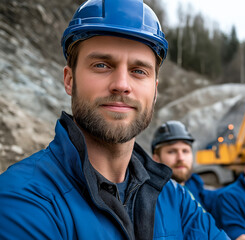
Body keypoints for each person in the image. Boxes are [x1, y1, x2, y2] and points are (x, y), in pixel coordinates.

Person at [0, 1, 229, 239]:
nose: (122, 84)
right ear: (69, 80)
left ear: (155, 91)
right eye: (101, 65)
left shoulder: (175, 199)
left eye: (139, 70)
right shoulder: (23, 199)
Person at [152, 120, 217, 212]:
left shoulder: (193, 184)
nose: (181, 158)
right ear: (156, 159)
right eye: (172, 151)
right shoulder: (153, 197)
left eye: (185, 151)